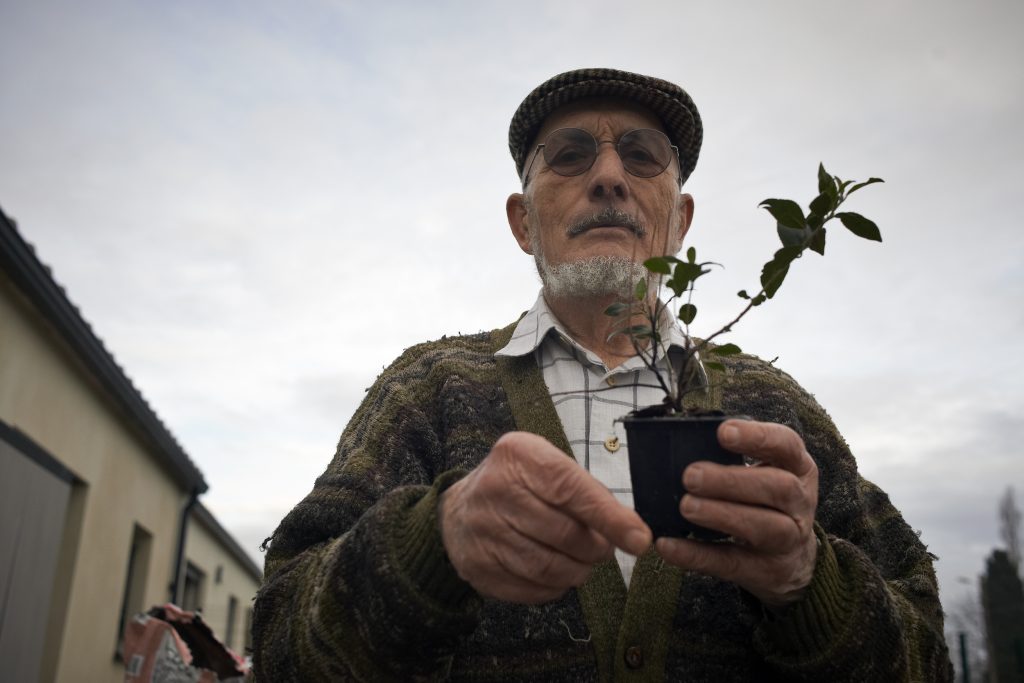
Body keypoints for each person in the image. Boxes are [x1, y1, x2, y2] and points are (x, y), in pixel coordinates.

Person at [253, 68, 952, 681]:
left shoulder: (777, 412)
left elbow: (926, 657)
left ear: (679, 222)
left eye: (643, 155)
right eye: (569, 155)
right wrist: (432, 544)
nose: (609, 176)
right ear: (523, 221)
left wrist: (811, 585)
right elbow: (280, 645)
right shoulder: (426, 393)